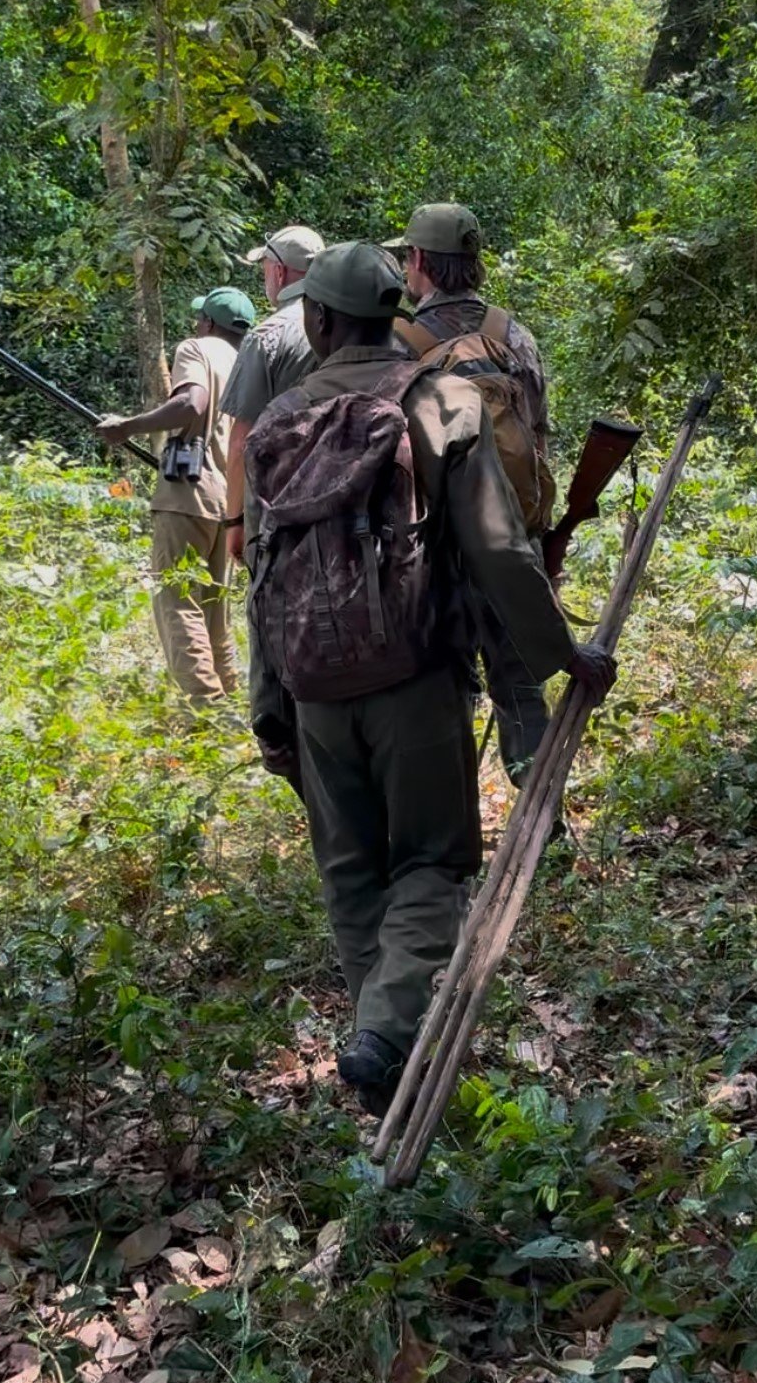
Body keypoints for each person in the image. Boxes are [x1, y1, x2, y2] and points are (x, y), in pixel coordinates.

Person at [244, 241, 615, 1116]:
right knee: (433, 862)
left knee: (352, 874)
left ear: (316, 320)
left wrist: (270, 705)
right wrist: (564, 654)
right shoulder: (439, 399)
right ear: (392, 315)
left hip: (312, 690)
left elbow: (264, 572)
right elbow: (496, 545)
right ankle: (386, 1037)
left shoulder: (279, 421)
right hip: (415, 679)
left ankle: (382, 1045)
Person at [388, 201, 559, 786]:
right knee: (521, 686)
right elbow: (536, 430)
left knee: (440, 691)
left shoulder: (398, 340)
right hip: (514, 538)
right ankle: (543, 821)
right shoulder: (512, 333)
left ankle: (451, 835)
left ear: (417, 261)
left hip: (432, 548)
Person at [97, 286, 255, 704]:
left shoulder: (197, 348)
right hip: (231, 500)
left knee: (177, 602)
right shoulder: (248, 360)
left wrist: (128, 426)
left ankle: (207, 711)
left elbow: (191, 403)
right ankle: (232, 699)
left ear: (207, 323)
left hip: (188, 493)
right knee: (214, 609)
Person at [221, 223, 326, 568]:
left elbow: (241, 441)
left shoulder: (268, 336)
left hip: (275, 507)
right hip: (344, 496)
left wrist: (233, 520)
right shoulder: (351, 323)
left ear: (279, 272)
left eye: (264, 266)